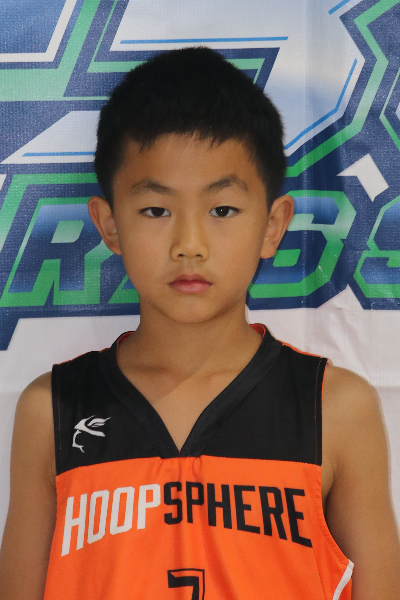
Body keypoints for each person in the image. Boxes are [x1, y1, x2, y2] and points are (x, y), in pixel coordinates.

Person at [0, 47, 399, 600]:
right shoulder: (52, 410)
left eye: (222, 210)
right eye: (156, 210)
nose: (189, 245)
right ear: (109, 225)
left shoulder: (335, 409)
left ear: (273, 225)